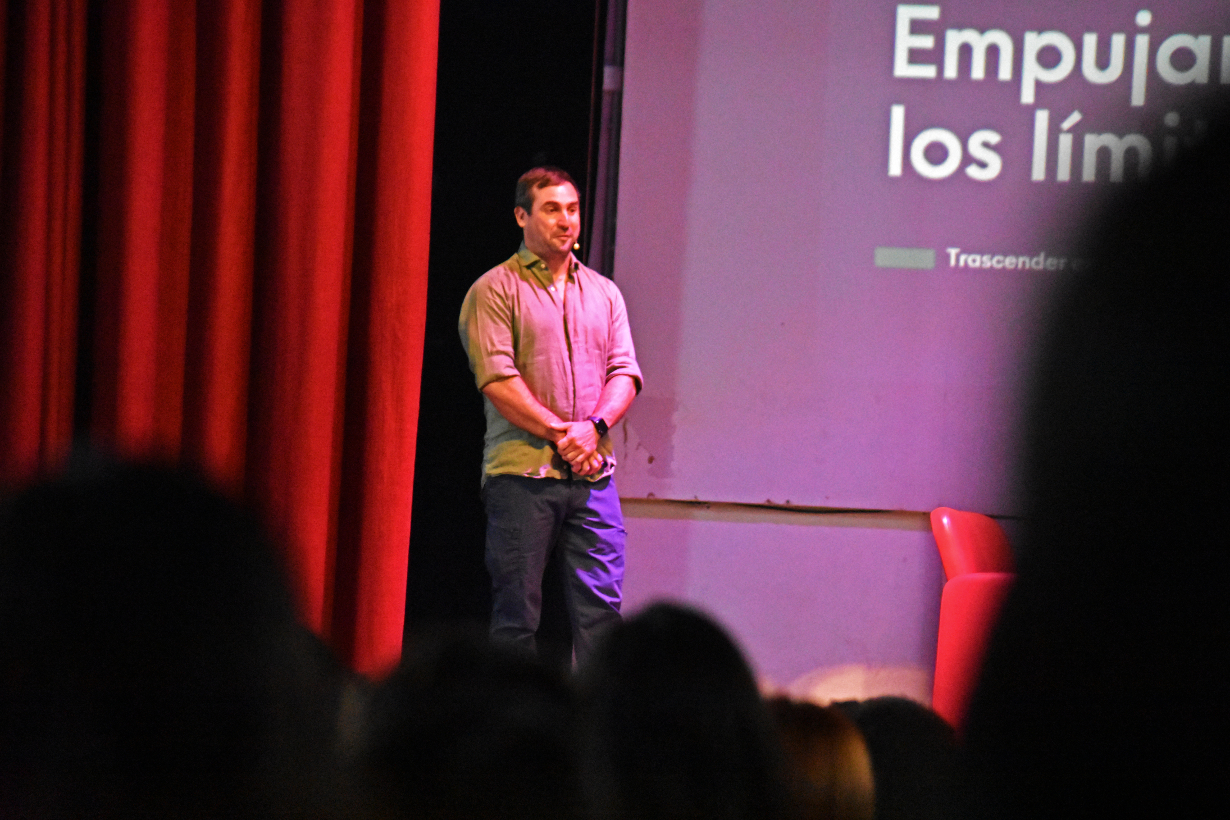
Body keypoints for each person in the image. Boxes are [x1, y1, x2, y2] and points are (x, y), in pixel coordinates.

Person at [459, 166, 642, 666]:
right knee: (517, 617)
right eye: (552, 209)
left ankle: (603, 728)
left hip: (592, 476)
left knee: (603, 614)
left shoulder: (604, 293)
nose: (567, 220)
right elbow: (498, 380)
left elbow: (624, 372)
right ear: (522, 216)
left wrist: (595, 429)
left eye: (574, 209)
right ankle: (513, 729)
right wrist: (565, 434)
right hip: (521, 475)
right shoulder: (494, 290)